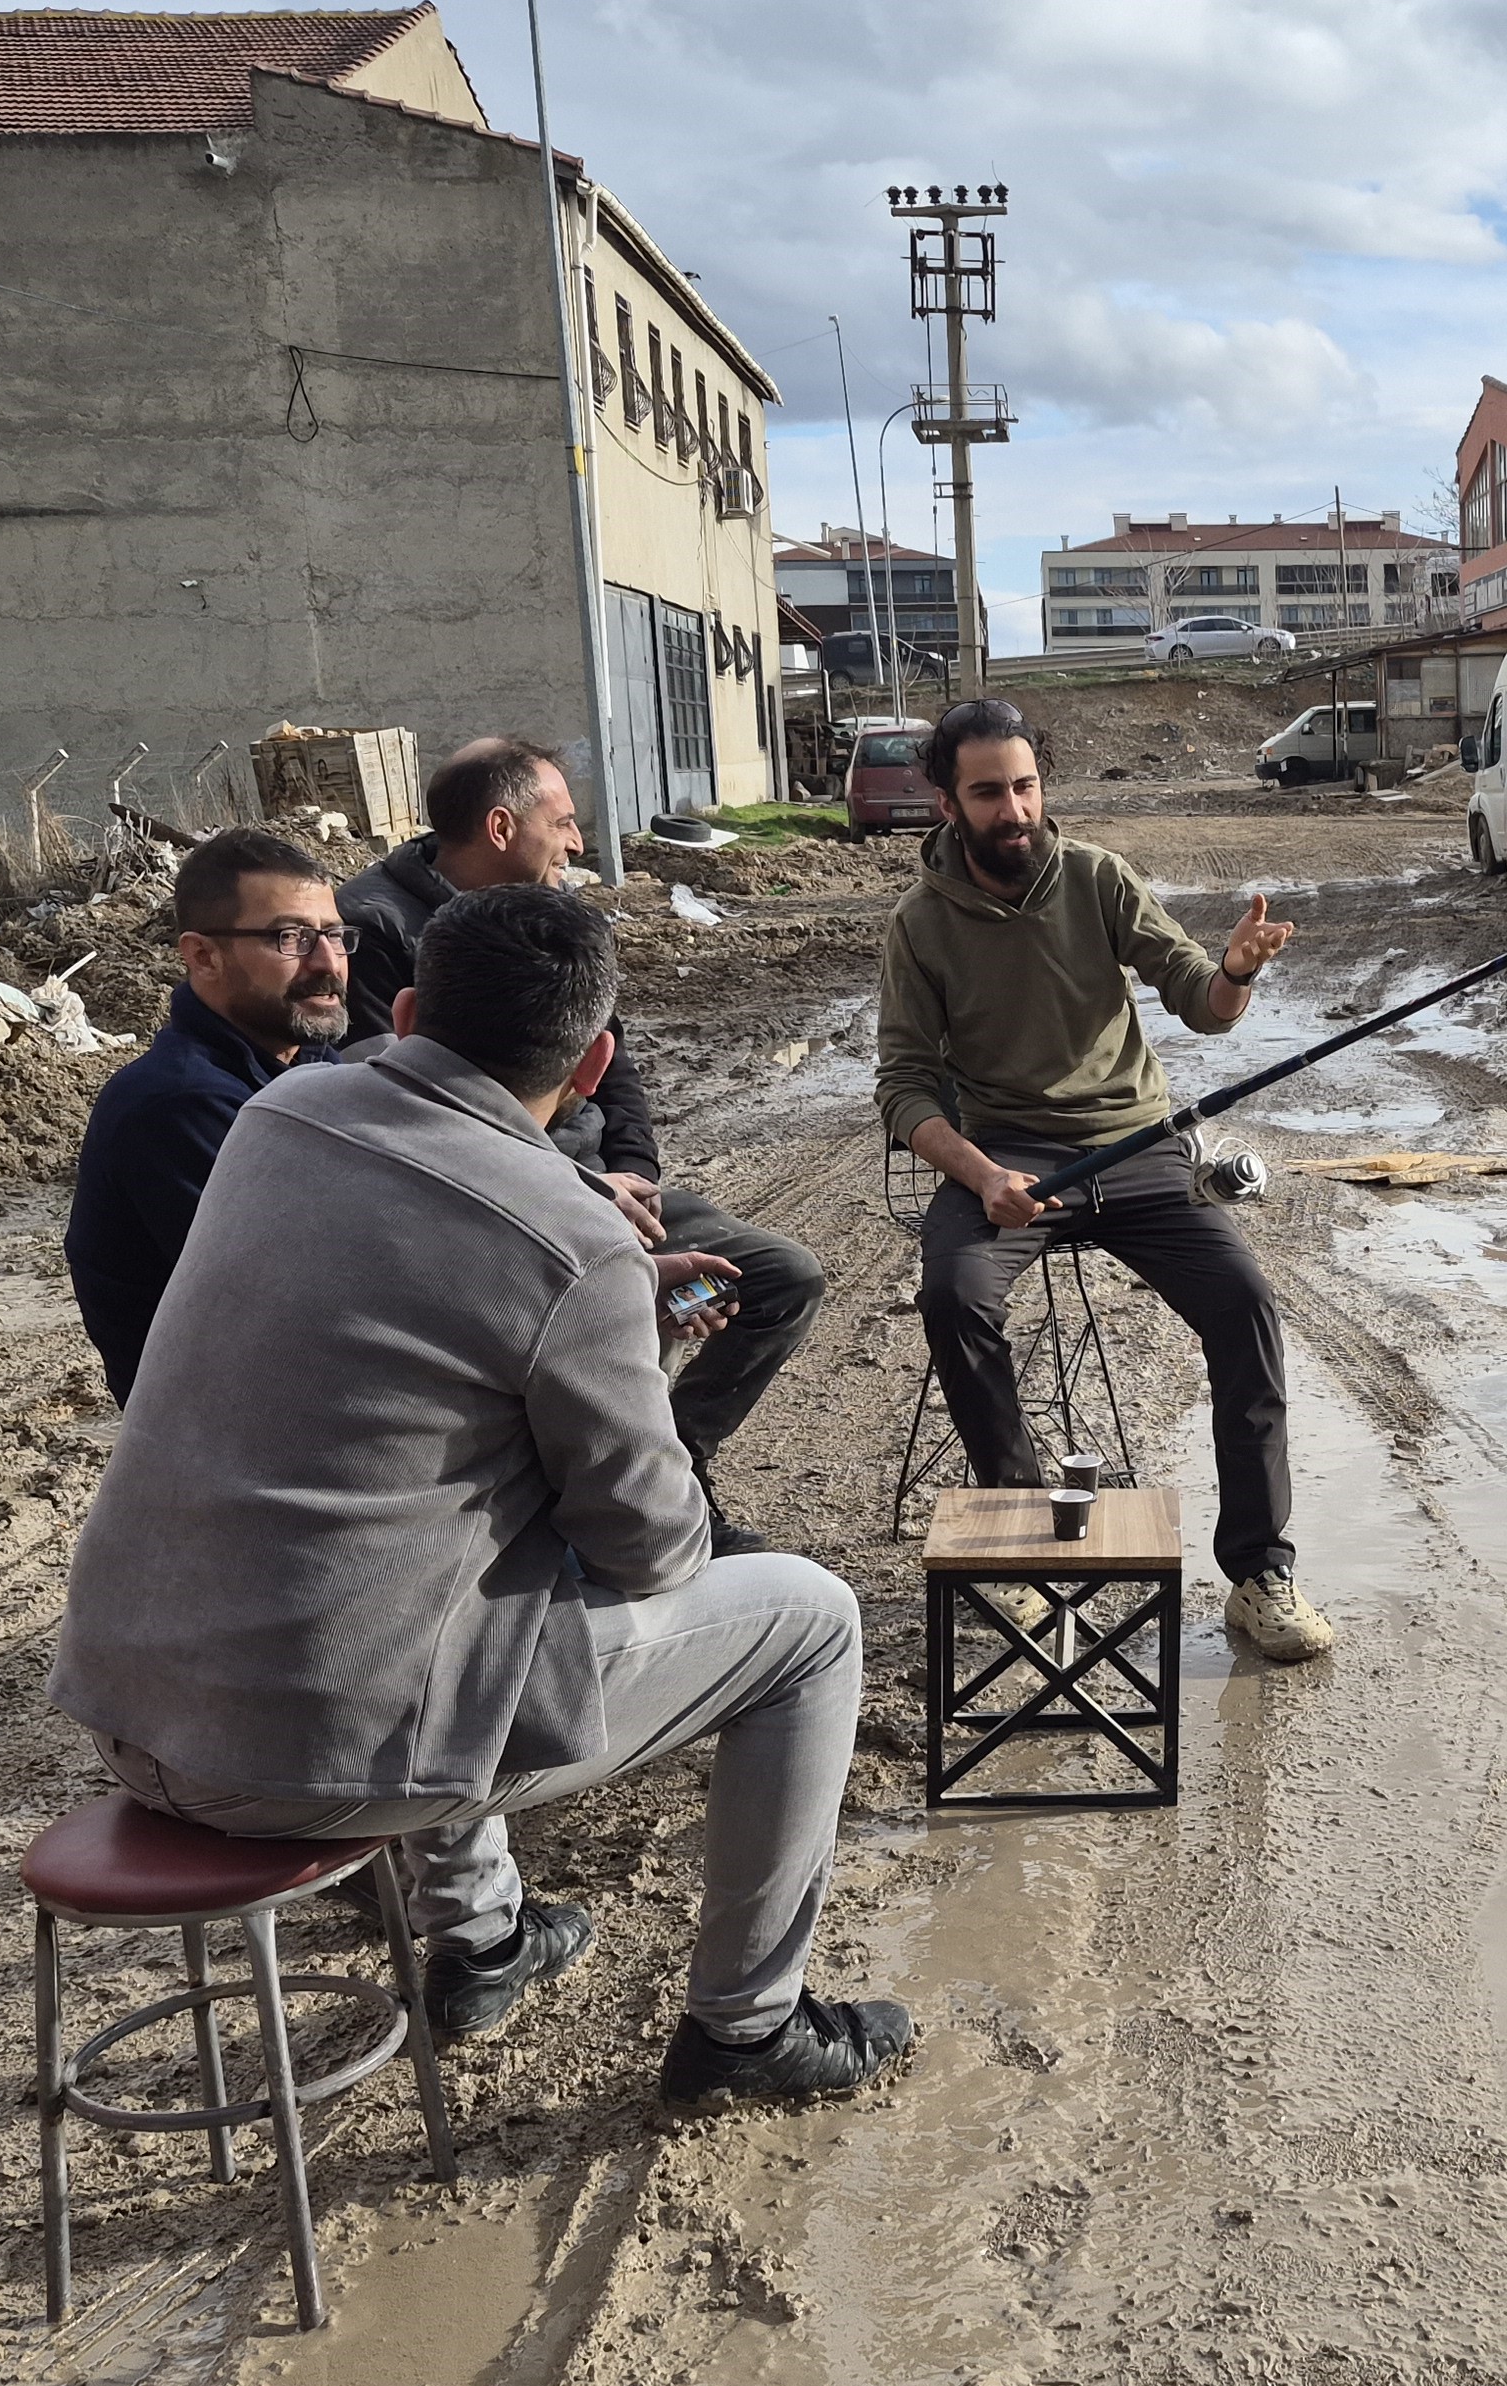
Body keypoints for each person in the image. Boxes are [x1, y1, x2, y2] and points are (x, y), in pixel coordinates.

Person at [52, 882, 912, 2102]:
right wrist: (624, 1337)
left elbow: (402, 1323)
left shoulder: (282, 1111)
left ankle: (486, 1938)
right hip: (307, 1768)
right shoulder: (574, 1243)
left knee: (425, 1544)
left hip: (129, 1704)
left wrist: (596, 1315)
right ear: (597, 1058)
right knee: (809, 1621)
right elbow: (652, 1549)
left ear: (402, 1011)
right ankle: (748, 2030)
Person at [878, 695, 1336, 1662]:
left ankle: (1259, 1574)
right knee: (952, 1296)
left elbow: (1197, 999)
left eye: (1027, 786)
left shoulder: (1097, 877)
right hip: (1006, 1156)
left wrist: (1236, 973)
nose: (1016, 810)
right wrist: (981, 1173)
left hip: (1137, 1148)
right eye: (990, 793)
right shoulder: (919, 925)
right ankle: (1021, 1547)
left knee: (1247, 1307)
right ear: (947, 802)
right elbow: (906, 1084)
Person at [342, 735, 825, 1556]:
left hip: (600, 1191)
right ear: (501, 827)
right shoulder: (376, 928)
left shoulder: (561, 917)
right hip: (492, 1213)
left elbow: (614, 1064)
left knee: (771, 1281)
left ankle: (667, 1466)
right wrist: (585, 1198)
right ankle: (611, 1503)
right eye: (564, 824)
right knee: (613, 1318)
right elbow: (405, 1119)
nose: (576, 844)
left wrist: (631, 1177)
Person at [64, 825, 355, 1402]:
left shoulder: (308, 1062)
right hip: (241, 1444)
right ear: (202, 955)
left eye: (336, 935)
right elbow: (309, 1296)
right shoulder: (181, 1105)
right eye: (291, 938)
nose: (328, 962)